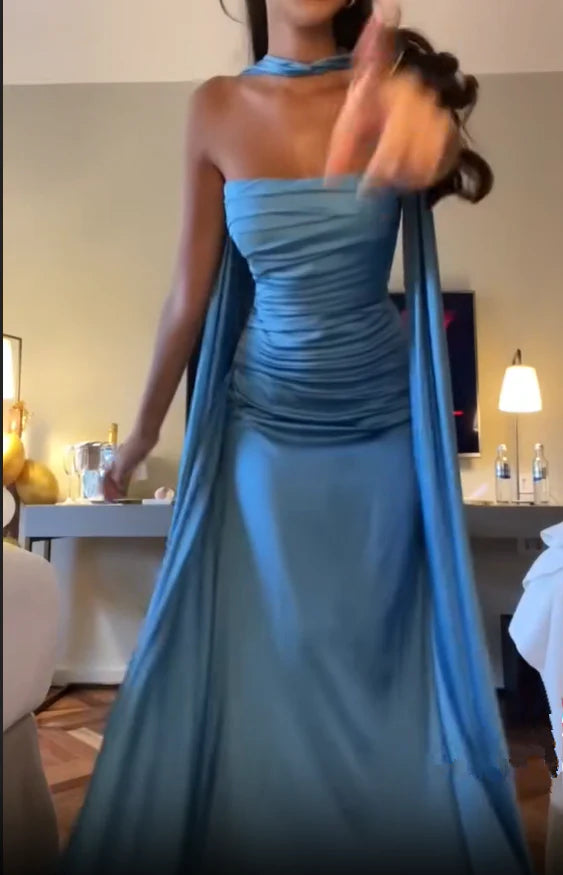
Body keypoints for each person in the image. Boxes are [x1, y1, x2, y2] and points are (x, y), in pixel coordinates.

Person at [62, 2, 532, 873]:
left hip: (380, 434)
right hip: (264, 433)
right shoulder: (214, 107)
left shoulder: (389, 88)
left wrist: (410, 117)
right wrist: (140, 435)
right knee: (275, 653)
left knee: (371, 659)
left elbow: (439, 158)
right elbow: (187, 297)